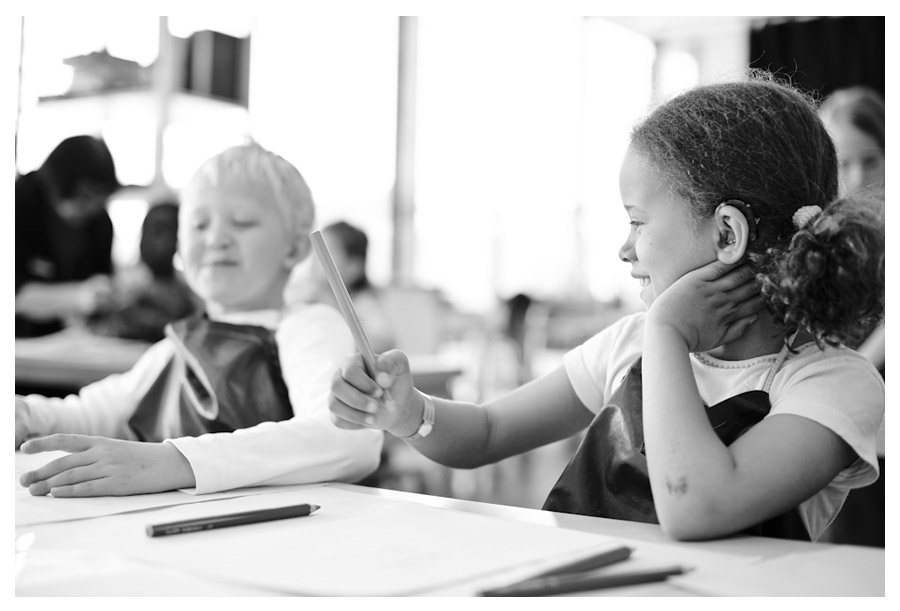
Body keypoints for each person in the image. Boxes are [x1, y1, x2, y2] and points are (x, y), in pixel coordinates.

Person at [327, 73, 885, 542]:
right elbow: (488, 431)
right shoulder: (625, 343)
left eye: (637, 221)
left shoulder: (832, 384)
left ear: (726, 233)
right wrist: (411, 414)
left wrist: (666, 333)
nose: (624, 248)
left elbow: (697, 509)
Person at [16, 142, 383, 497]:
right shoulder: (175, 346)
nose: (216, 239)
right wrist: (26, 414)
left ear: (294, 248)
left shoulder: (308, 326)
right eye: (198, 225)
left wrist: (173, 462)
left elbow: (349, 437)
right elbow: (96, 412)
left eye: (241, 222)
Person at [817, 86, 886, 547]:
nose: (858, 178)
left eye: (871, 160)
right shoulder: (814, 234)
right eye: (844, 163)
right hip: (834, 426)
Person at [15, 135, 121, 337]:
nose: (89, 208)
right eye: (84, 196)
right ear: (57, 180)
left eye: (99, 199)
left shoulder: (99, 223)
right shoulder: (18, 205)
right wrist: (77, 297)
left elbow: (100, 282)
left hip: (69, 346)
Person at [87, 201, 202, 342]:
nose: (152, 240)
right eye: (147, 231)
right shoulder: (120, 294)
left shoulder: (195, 296)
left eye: (163, 231)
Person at [290, 220, 396, 354]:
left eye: (327, 252)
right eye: (315, 251)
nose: (316, 259)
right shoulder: (303, 295)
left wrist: (335, 312)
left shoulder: (363, 302)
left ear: (354, 267)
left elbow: (383, 341)